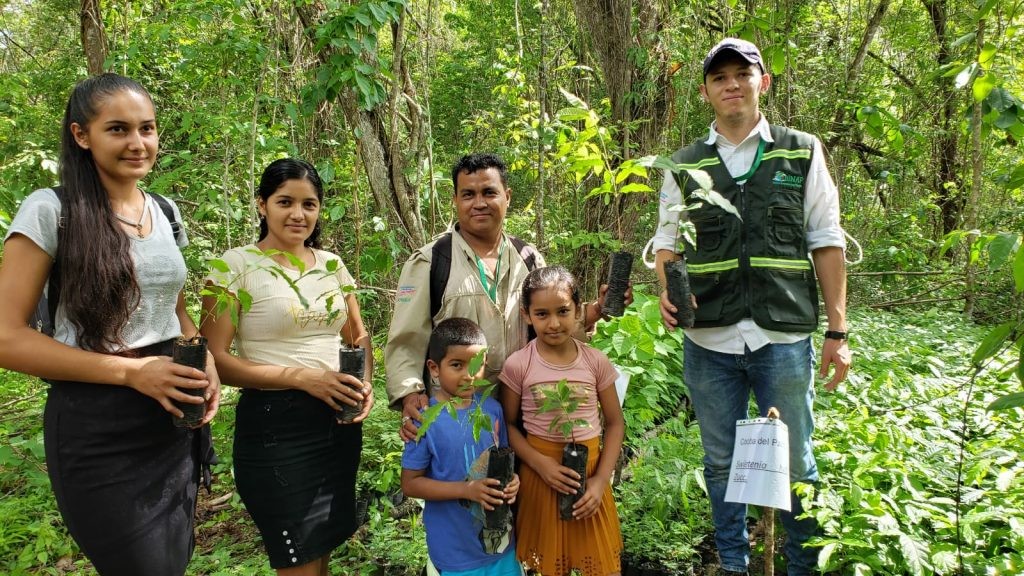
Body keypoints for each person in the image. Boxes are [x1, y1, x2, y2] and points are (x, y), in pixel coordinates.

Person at [0, 73, 219, 575]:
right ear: (82, 135)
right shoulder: (50, 211)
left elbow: (174, 311)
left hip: (170, 418)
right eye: (118, 129)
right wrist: (131, 373)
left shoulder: (164, 211)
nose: (138, 143)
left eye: (147, 128)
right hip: (97, 424)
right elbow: (7, 338)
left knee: (172, 561)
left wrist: (204, 360)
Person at [652, 38, 851, 576]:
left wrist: (838, 331)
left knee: (796, 464)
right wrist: (667, 288)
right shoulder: (684, 164)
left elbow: (826, 240)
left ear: (763, 82)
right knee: (720, 465)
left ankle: (802, 566)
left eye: (743, 73)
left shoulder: (800, 149)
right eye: (720, 77)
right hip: (708, 342)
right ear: (706, 92)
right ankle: (734, 566)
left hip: (782, 340)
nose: (732, 84)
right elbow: (667, 242)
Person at [201, 158, 373, 576]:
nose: (299, 214)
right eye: (285, 202)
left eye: (309, 205)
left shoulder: (332, 265)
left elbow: (359, 337)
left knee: (324, 546)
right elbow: (215, 360)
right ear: (262, 205)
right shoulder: (234, 266)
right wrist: (301, 378)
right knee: (296, 554)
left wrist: (364, 385)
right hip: (274, 426)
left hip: (337, 421)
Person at [386, 153, 611, 442]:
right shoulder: (431, 262)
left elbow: (550, 323)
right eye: (468, 194)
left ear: (507, 196)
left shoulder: (528, 259)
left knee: (516, 486)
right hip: (454, 415)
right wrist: (410, 393)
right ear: (455, 200)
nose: (479, 203)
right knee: (457, 484)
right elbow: (407, 339)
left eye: (489, 192)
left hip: (526, 413)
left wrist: (594, 312)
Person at [500, 266, 625, 576]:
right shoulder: (519, 365)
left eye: (563, 311)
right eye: (541, 314)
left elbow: (615, 422)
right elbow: (508, 426)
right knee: (546, 564)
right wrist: (540, 464)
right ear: (527, 316)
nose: (553, 323)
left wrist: (600, 481)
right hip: (540, 478)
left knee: (595, 561)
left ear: (578, 311)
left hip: (590, 477)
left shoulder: (595, 361)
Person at [401, 317, 523, 576]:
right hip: (455, 553)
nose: (469, 375)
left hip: (501, 546)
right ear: (434, 368)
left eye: (477, 365)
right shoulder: (424, 420)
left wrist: (512, 481)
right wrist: (466, 489)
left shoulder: (492, 409)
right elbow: (410, 483)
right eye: (457, 365)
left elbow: (502, 460)